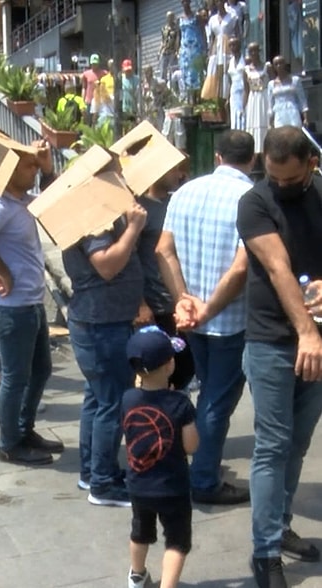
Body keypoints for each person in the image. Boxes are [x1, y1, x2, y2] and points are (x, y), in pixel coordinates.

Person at [236, 127, 322, 587]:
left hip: (317, 342)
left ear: (311, 164)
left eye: (291, 180)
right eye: (274, 177)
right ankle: (265, 552)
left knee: (298, 443)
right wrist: (306, 332)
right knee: (272, 445)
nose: (281, 186)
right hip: (271, 340)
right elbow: (276, 266)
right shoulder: (255, 202)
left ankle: (280, 524)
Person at [156, 130, 255, 505]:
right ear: (253, 160)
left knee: (210, 391)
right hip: (228, 321)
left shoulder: (185, 192)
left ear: (217, 158)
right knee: (217, 400)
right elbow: (241, 268)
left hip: (192, 318)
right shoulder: (250, 198)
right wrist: (209, 308)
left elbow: (163, 249)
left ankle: (196, 467)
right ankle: (204, 479)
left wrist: (184, 300)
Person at [0, 140, 60, 460]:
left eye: (35, 166)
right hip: (12, 309)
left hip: (30, 305)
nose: (33, 170)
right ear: (9, 171)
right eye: (29, 165)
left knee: (40, 371)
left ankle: (24, 429)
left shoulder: (22, 202)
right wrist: (2, 271)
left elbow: (55, 200)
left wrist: (47, 166)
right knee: (15, 379)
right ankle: (9, 444)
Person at [63, 193, 147, 505]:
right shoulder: (94, 217)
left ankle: (93, 472)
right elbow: (107, 265)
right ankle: (103, 483)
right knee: (112, 404)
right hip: (102, 323)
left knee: (98, 400)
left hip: (100, 320)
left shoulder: (92, 212)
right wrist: (134, 227)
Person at [122, 328, 199, 588]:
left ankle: (136, 575)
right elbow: (191, 446)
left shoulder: (128, 399)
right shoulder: (180, 404)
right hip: (172, 487)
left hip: (138, 485)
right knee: (177, 541)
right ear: (169, 365)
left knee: (140, 533)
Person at [136, 164, 196, 392]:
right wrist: (140, 304)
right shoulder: (140, 209)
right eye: (173, 169)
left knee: (184, 367)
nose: (179, 174)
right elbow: (132, 261)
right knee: (160, 371)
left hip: (181, 300)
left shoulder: (178, 202)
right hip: (156, 305)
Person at [267, 55, 309, 129]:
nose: (279, 66)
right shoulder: (271, 84)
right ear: (274, 67)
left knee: (295, 131)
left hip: (293, 111)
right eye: (276, 64)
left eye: (281, 63)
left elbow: (302, 99)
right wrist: (270, 121)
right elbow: (270, 103)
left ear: (285, 64)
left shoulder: (295, 80)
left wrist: (305, 118)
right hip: (279, 113)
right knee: (280, 133)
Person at [244, 43, 270, 154]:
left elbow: (272, 84)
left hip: (264, 97)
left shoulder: (266, 67)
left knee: (264, 122)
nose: (254, 53)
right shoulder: (246, 70)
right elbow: (246, 90)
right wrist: (244, 106)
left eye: (255, 50)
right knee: (253, 124)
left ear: (259, 51)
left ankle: (265, 150)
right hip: (253, 98)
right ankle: (255, 152)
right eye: (251, 51)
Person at [81, 54, 106, 125]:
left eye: (96, 63)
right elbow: (84, 88)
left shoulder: (104, 73)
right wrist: (82, 100)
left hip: (99, 100)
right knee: (88, 120)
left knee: (98, 121)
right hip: (88, 100)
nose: (94, 65)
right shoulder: (86, 74)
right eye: (93, 63)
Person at [159, 11, 181, 81]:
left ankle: (174, 85)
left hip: (172, 52)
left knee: (173, 71)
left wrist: (177, 51)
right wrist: (159, 51)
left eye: (171, 17)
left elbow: (178, 41)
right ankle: (163, 85)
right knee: (163, 72)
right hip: (164, 51)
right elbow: (163, 41)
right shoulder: (164, 29)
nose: (170, 18)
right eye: (168, 17)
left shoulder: (176, 29)